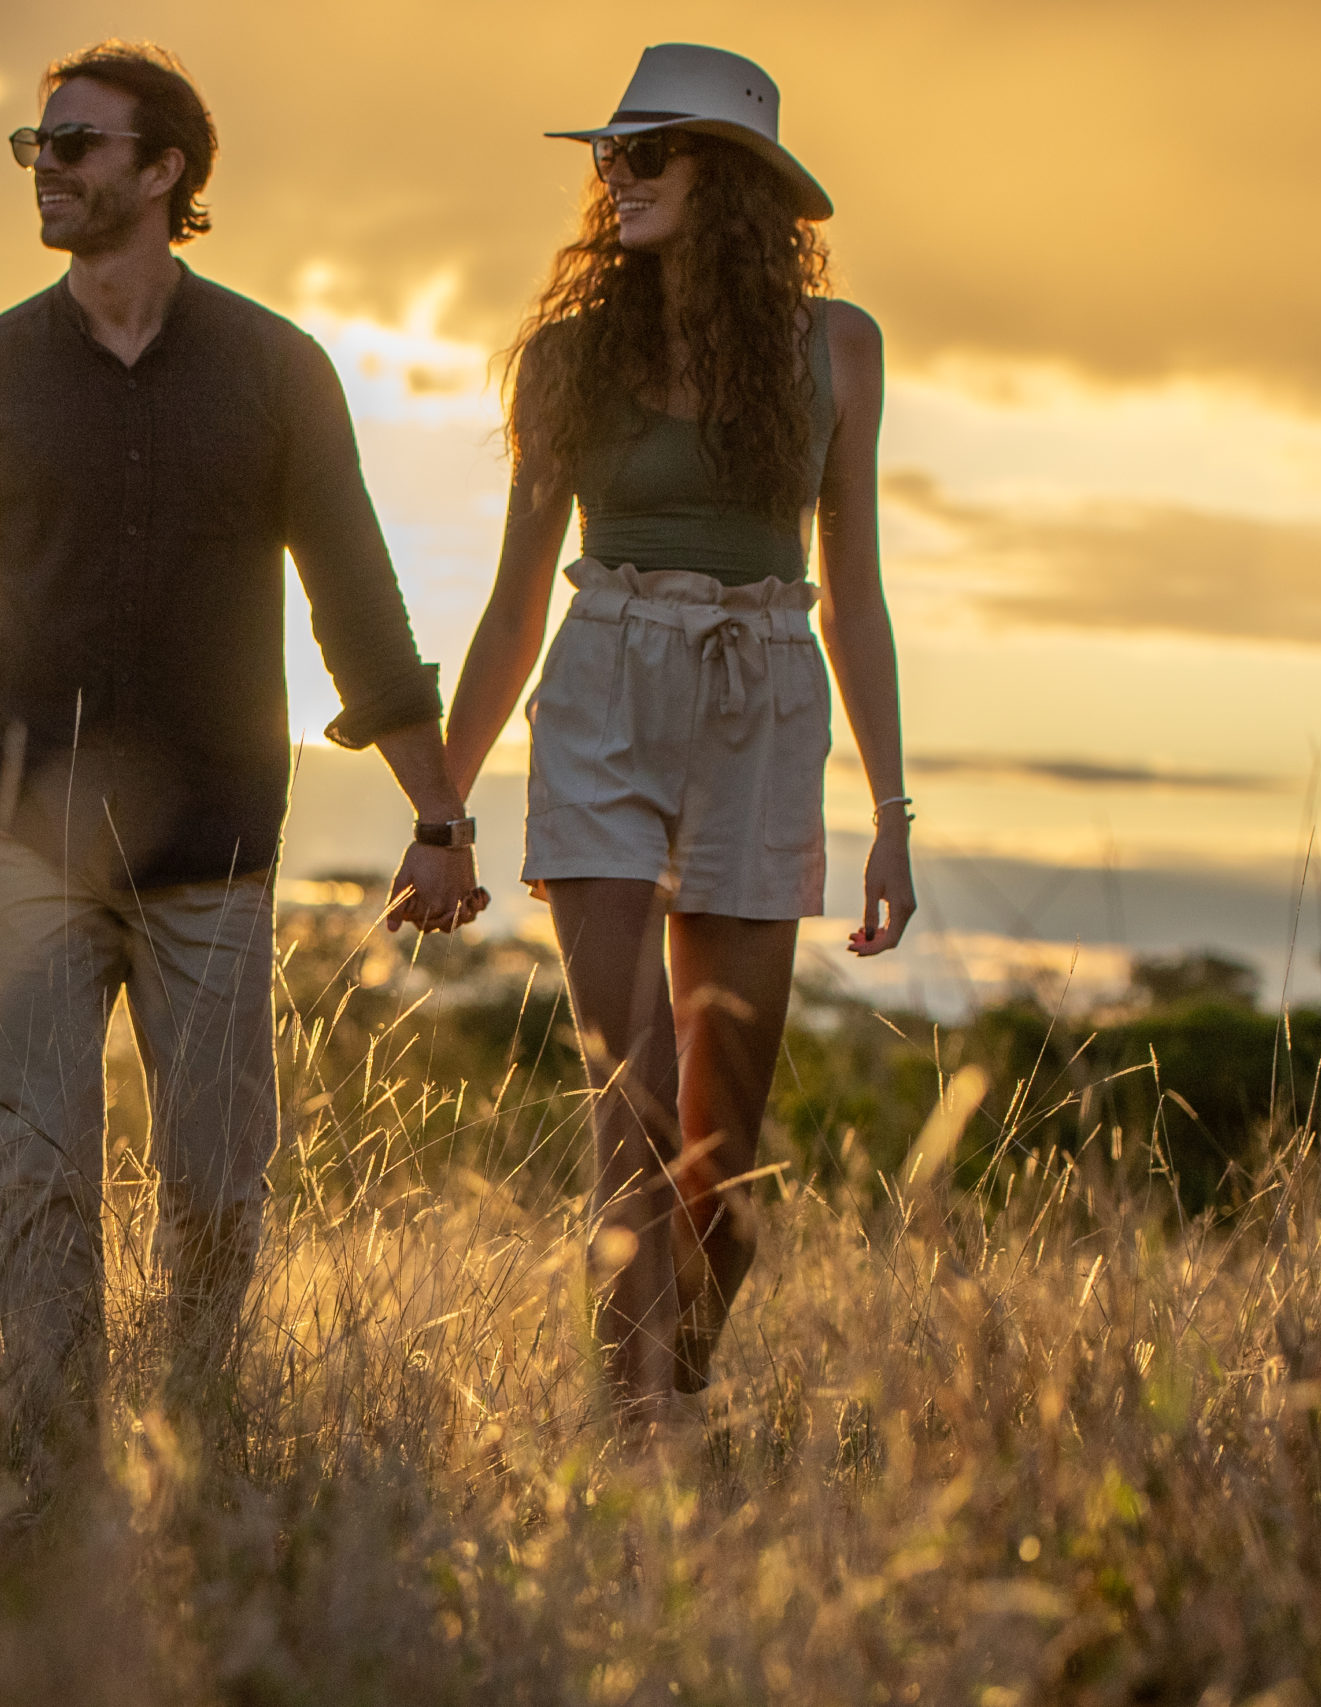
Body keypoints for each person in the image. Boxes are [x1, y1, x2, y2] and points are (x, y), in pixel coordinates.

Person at [0, 41, 481, 1468]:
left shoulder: (275, 372)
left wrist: (437, 816)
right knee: (43, 1176)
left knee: (214, 1182)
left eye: (77, 146)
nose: (49, 170)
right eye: (37, 147)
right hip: (24, 833)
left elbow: (358, 601)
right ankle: (52, 1453)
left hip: (215, 847)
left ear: (164, 172)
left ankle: (198, 1433)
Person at [437, 44, 916, 1419]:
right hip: (605, 684)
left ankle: (672, 1389)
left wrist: (890, 818)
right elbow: (515, 606)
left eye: (651, 154)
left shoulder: (838, 351)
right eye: (613, 157)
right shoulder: (570, 359)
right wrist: (442, 809)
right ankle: (636, 1438)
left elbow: (857, 599)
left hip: (764, 695)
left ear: (737, 182)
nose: (620, 177)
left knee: (730, 1150)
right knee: (632, 1107)